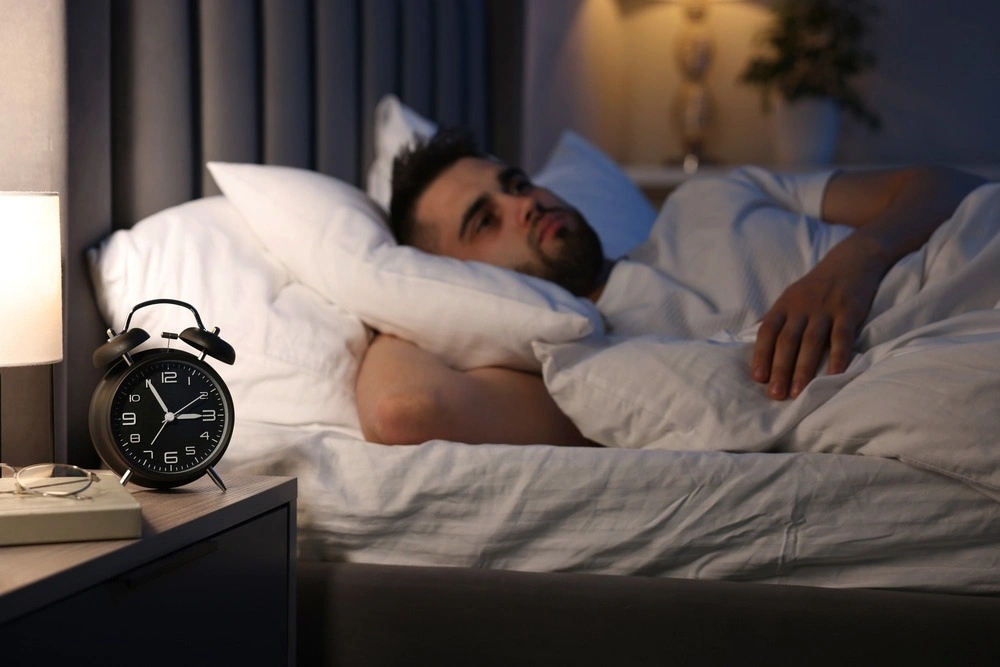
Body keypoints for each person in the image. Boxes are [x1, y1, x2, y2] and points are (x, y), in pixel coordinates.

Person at [356, 128, 987, 446]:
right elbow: (404, 409)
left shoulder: (710, 196)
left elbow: (942, 186)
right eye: (484, 221)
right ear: (454, 276)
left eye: (516, 184)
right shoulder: (585, 363)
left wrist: (853, 261)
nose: (524, 205)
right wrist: (398, 294)